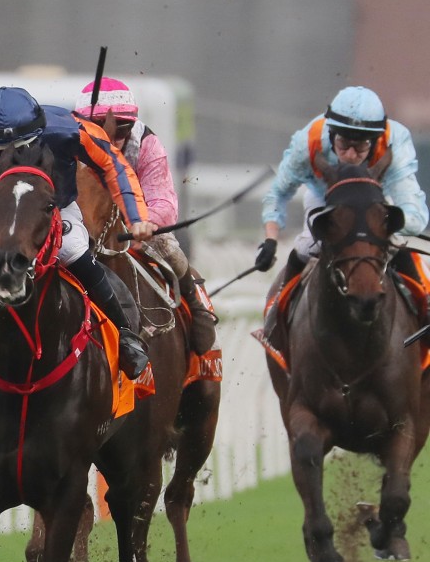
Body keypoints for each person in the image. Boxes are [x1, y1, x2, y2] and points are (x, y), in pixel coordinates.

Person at [0, 86, 155, 381]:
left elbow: (113, 165)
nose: (8, 157)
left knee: (73, 250)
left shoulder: (71, 130)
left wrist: (136, 217)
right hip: (2, 212)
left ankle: (125, 336)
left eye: (18, 148)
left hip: (55, 207)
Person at [258, 85, 429, 337]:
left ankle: (425, 305)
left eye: (359, 147)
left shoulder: (395, 141)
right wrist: (270, 240)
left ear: (374, 141)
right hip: (326, 196)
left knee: (399, 244)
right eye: (343, 144)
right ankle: (276, 321)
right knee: (306, 246)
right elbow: (278, 193)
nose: (349, 155)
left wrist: (382, 227)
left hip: (375, 198)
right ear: (331, 134)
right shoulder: (309, 140)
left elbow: (415, 213)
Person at [74, 77, 217, 354]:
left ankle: (195, 304)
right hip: (79, 226)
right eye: (99, 127)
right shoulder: (66, 144)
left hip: (134, 225)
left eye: (123, 127)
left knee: (170, 249)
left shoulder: (146, 144)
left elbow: (163, 198)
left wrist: (146, 222)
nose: (113, 138)